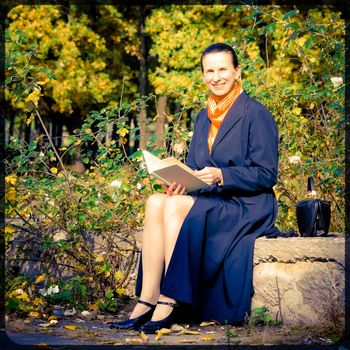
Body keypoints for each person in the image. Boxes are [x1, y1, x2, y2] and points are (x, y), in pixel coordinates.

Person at [110, 42, 279, 333]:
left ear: (237, 71)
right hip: (212, 200)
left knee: (174, 207)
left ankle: (172, 298)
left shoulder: (255, 113)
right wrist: (182, 183)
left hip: (247, 205)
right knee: (156, 201)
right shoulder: (203, 118)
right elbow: (196, 168)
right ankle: (147, 298)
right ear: (203, 76)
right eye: (209, 71)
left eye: (223, 69)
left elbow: (266, 174)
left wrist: (221, 175)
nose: (216, 77)